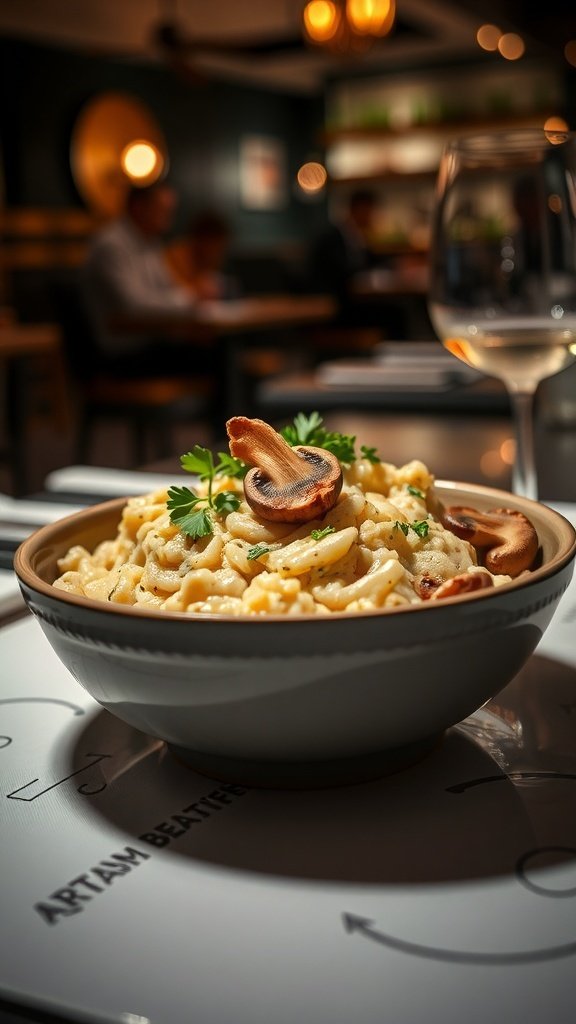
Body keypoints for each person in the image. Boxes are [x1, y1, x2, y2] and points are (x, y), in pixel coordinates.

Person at [81, 181, 200, 373]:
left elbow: (168, 289)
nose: (169, 218)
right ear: (138, 207)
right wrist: (189, 299)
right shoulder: (111, 245)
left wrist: (188, 297)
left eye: (170, 210)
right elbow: (134, 306)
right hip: (120, 356)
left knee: (211, 351)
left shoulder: (149, 243)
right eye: (162, 210)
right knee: (210, 356)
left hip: (149, 345)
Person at [166, 209, 238, 301]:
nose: (219, 253)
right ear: (203, 240)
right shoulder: (177, 255)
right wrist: (196, 291)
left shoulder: (208, 261)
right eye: (217, 246)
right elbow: (172, 293)